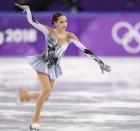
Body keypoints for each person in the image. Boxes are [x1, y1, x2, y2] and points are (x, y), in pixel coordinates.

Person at [15, 3, 111, 131]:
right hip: (43, 64)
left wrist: (100, 63)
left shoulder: (69, 36)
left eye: (65, 21)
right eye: (61, 22)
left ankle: (25, 95)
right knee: (47, 90)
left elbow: (85, 49)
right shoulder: (48, 31)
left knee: (46, 96)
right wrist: (27, 9)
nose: (64, 24)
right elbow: (33, 21)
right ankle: (35, 120)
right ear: (55, 23)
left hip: (54, 67)